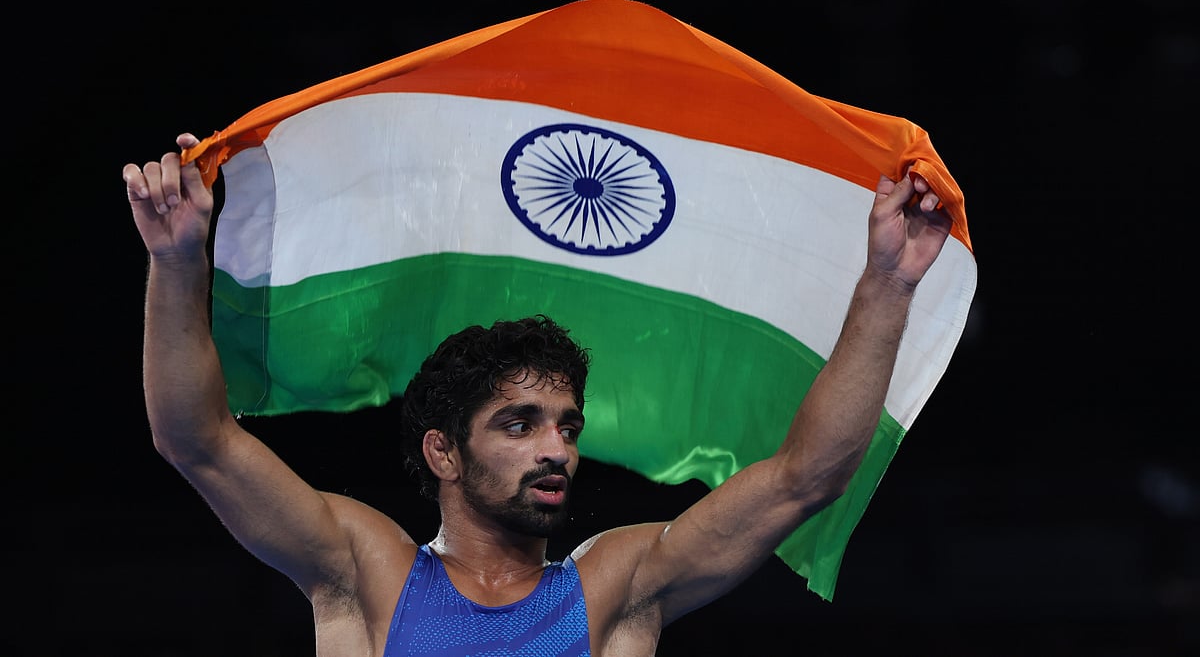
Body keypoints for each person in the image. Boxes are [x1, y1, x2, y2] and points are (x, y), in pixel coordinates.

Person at [123, 131, 952, 656]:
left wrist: (887, 283)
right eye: (519, 424)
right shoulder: (363, 572)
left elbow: (808, 476)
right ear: (442, 450)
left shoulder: (618, 590)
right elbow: (196, 439)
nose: (557, 447)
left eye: (565, 425)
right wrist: (175, 262)